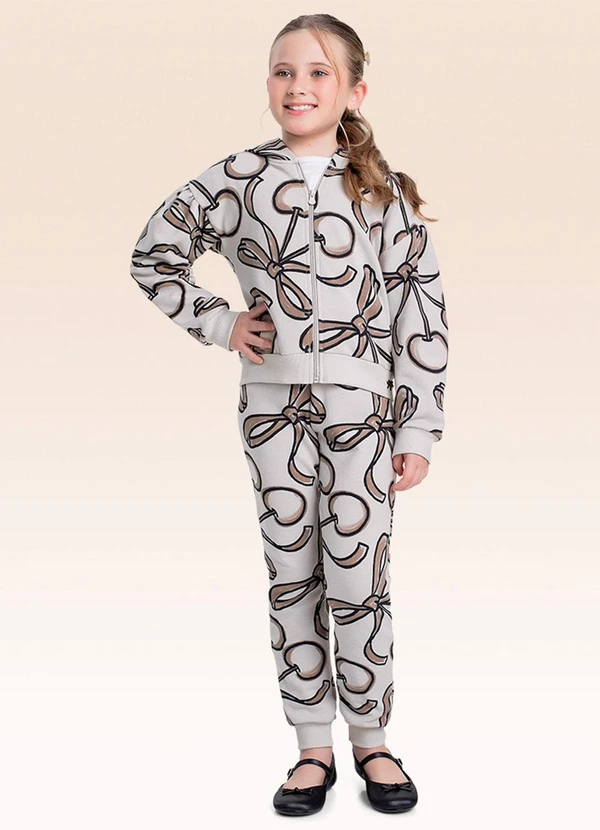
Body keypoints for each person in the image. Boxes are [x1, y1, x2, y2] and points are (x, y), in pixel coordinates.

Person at [129, 13, 448, 817]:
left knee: (360, 577)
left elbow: (422, 310)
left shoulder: (381, 190)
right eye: (282, 72)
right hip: (272, 413)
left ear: (354, 91)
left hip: (363, 414)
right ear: (268, 84)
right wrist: (221, 323)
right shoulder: (236, 177)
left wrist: (417, 427)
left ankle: (372, 739)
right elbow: (153, 254)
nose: (297, 87)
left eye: (316, 73)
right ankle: (312, 747)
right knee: (291, 574)